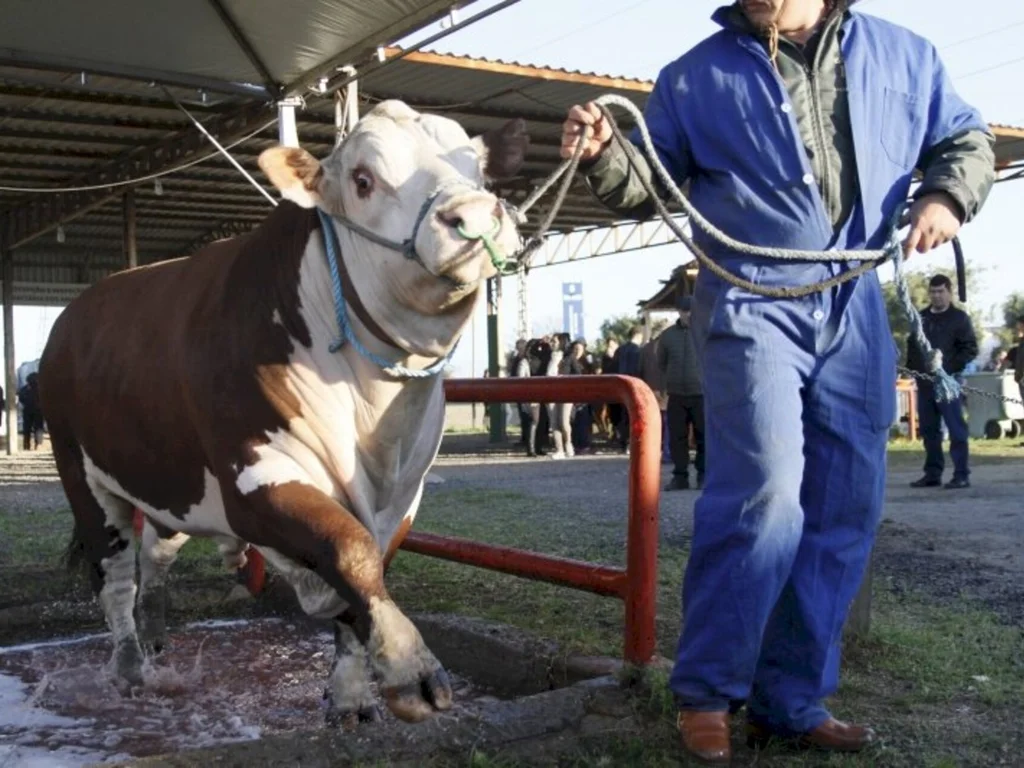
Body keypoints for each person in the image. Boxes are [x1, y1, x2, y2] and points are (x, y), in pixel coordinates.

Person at [560, 0, 995, 762]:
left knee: (845, 503)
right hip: (751, 294)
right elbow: (649, 180)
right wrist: (603, 154)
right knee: (764, 491)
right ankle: (707, 692)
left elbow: (965, 137)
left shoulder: (906, 55)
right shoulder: (693, 77)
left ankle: (790, 697)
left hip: (856, 295)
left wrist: (946, 195)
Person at [906, 275, 978, 489]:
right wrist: (913, 370)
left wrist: (948, 370)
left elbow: (970, 349)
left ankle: (961, 474)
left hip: (949, 382)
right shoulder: (921, 318)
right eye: (933, 292)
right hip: (925, 383)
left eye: (941, 291)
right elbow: (913, 345)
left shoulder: (960, 319)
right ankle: (932, 473)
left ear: (949, 292)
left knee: (956, 429)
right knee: (929, 430)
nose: (937, 296)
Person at [659, 295, 705, 491]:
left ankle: (704, 475)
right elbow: (662, 362)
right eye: (685, 311)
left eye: (692, 311)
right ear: (679, 312)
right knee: (677, 437)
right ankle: (680, 476)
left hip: (701, 394)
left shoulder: (705, 333)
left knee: (704, 436)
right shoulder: (668, 336)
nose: (689, 314)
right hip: (676, 394)